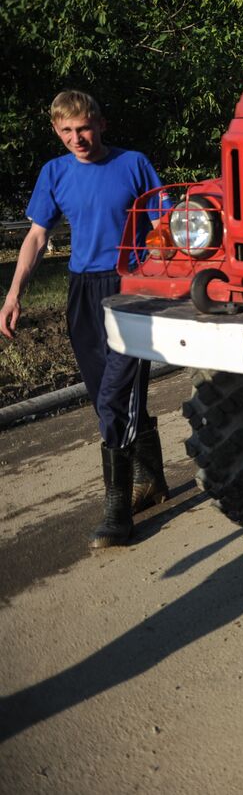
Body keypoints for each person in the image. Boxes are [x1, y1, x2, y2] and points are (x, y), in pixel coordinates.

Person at [1, 91, 169, 548]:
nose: (77, 138)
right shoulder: (54, 173)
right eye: (66, 131)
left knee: (116, 396)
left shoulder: (134, 164)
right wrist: (14, 293)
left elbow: (166, 225)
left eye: (84, 128)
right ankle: (150, 477)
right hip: (82, 292)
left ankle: (117, 511)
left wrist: (157, 276)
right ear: (57, 132)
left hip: (128, 289)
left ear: (101, 122)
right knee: (103, 396)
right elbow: (37, 237)